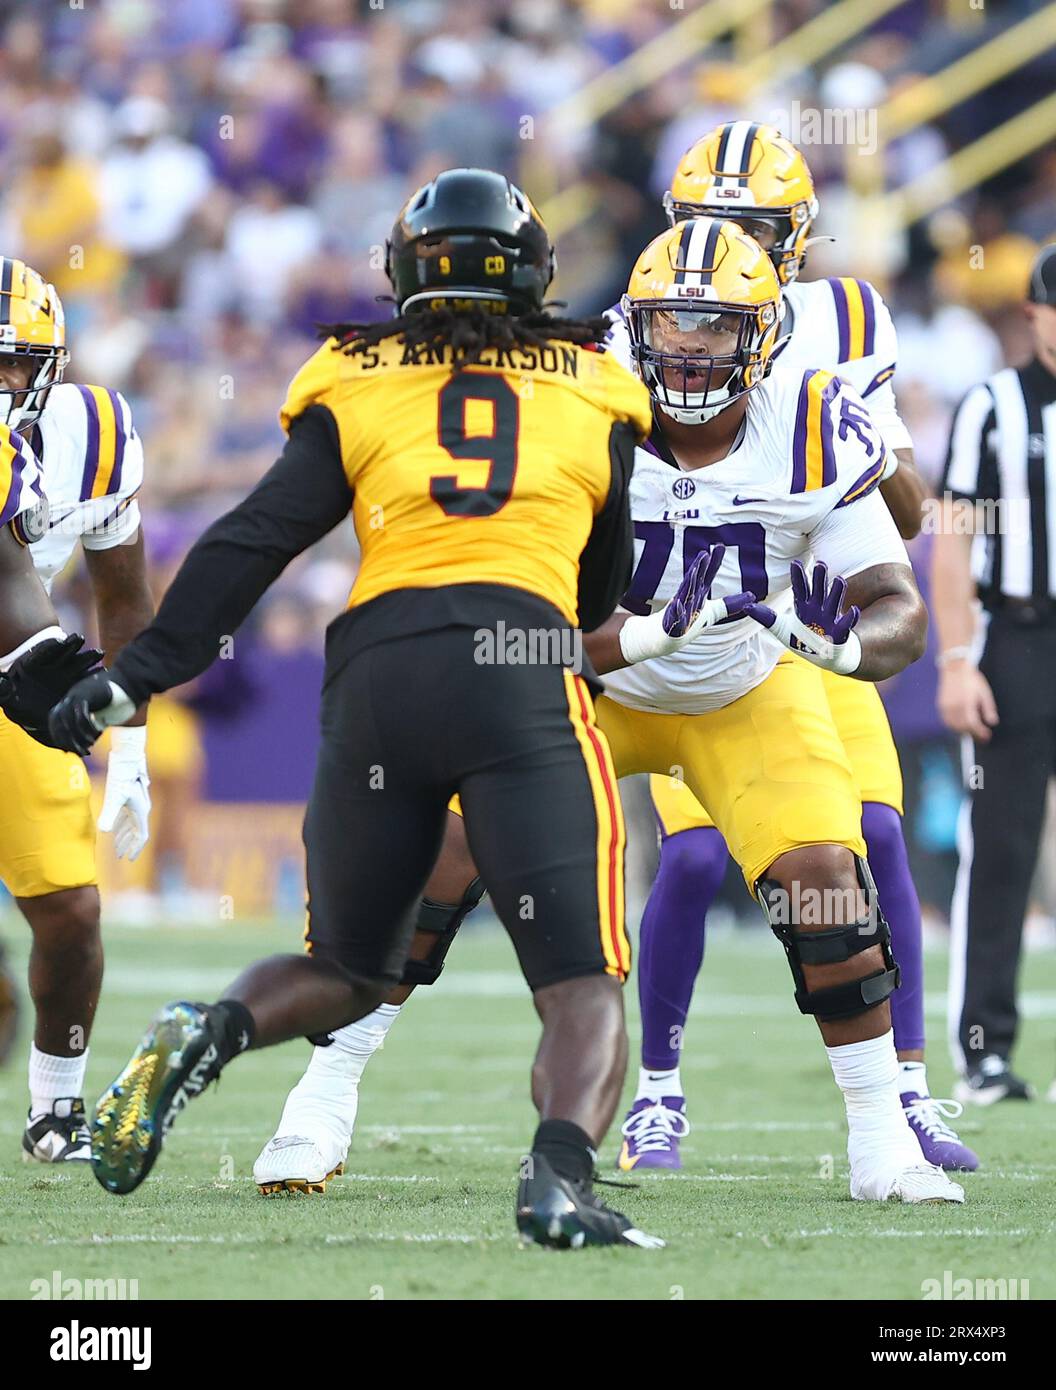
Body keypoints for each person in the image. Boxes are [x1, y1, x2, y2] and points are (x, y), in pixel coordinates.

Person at [43, 170, 734, 1248]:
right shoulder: (597, 383)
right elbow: (597, 595)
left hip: (378, 669)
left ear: (403, 273)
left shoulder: (354, 374)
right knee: (581, 980)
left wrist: (143, 671)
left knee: (345, 969)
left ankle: (209, 1028)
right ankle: (557, 1178)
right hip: (520, 661)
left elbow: (257, 534)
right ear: (534, 274)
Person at [243, 217, 965, 1207]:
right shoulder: (578, 405)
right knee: (438, 862)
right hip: (588, 680)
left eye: (715, 326)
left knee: (824, 887)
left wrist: (839, 645)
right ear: (637, 324)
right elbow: (512, 598)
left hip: (746, 684)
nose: (689, 346)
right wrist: (630, 636)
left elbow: (900, 605)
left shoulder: (815, 425)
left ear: (764, 336)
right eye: (672, 323)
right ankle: (320, 1099)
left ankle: (883, 1138)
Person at [606, 122, 974, 1174]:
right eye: (709, 225)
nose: (730, 245)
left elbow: (901, 519)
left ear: (796, 235)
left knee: (876, 839)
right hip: (683, 625)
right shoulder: (638, 325)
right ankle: (658, 1093)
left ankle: (904, 1090)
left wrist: (864, 432)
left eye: (754, 228)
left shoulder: (847, 317)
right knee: (688, 854)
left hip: (808, 615)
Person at [0, 258, 153, 1163]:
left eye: (15, 361)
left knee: (71, 912)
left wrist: (131, 747)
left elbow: (124, 599)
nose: (1, 380)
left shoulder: (92, 431)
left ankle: (56, 1108)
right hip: (21, 656)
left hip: (15, 673)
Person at [933, 242, 1056, 1104]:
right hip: (1019, 638)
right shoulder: (993, 407)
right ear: (1034, 315)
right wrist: (954, 658)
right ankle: (985, 1049)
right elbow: (952, 541)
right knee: (1003, 848)